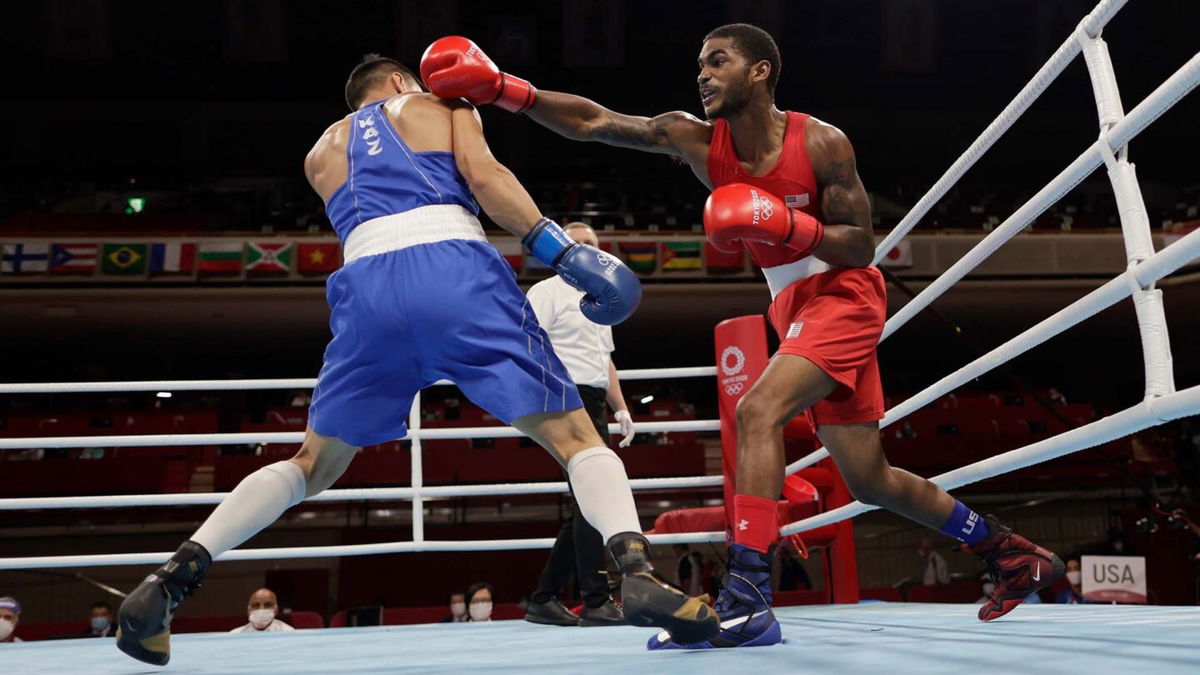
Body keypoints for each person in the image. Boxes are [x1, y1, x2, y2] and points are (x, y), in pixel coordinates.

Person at [421, 24, 1064, 650]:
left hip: (844, 293)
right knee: (870, 480)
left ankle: (749, 600)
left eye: (718, 60)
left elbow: (862, 242)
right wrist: (503, 88)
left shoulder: (822, 143)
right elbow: (595, 122)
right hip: (792, 305)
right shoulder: (694, 140)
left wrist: (782, 221)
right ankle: (1010, 552)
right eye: (700, 63)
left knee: (757, 410)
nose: (703, 73)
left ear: (759, 72)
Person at [115, 53, 716, 666]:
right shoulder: (440, 104)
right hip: (450, 267)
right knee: (577, 439)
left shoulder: (321, 151)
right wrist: (561, 252)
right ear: (403, 82)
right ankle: (636, 572)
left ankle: (166, 583)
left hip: (365, 290)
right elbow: (485, 178)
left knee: (312, 463)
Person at [524, 222, 632, 628]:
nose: (584, 249)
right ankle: (595, 600)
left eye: (591, 244)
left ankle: (545, 598)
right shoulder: (547, 291)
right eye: (577, 243)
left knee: (589, 503)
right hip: (565, 399)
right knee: (594, 499)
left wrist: (621, 409)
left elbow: (605, 361)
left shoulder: (605, 297)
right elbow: (529, 345)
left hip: (594, 401)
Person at [230, 588, 294, 633]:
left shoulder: (289, 633)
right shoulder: (235, 635)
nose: (261, 609)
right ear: (248, 610)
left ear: (276, 610)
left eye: (267, 605)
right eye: (256, 605)